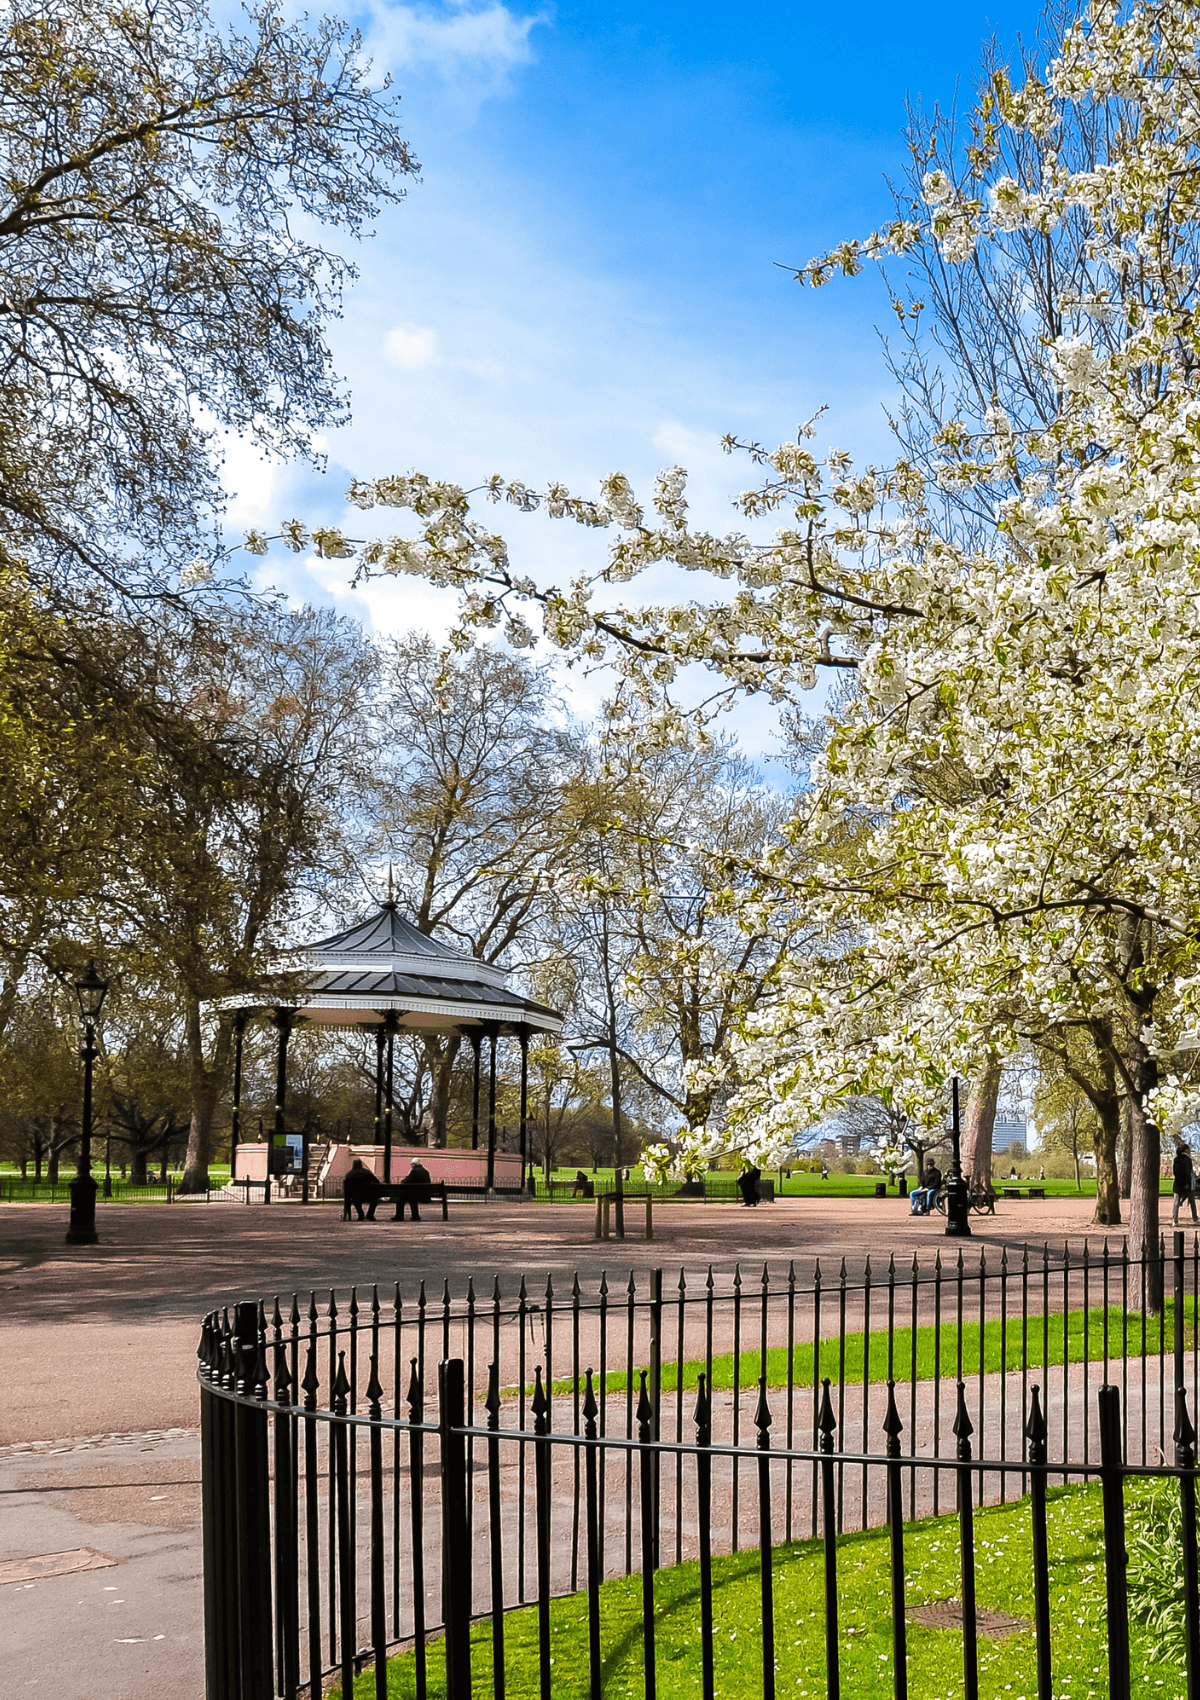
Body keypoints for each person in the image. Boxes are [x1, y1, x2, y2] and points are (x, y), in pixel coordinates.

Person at [394, 1155, 432, 1221]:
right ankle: (415, 1216)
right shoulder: (426, 1171)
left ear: (415, 1164)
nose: (411, 1165)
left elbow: (404, 1182)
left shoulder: (414, 1171)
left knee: (400, 1199)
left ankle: (399, 1216)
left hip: (416, 1195)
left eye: (412, 1164)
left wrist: (406, 1177)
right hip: (425, 1195)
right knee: (412, 1198)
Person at [342, 1158, 379, 1222]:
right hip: (368, 1195)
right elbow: (377, 1182)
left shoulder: (349, 1174)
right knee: (375, 1200)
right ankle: (370, 1214)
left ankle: (361, 1214)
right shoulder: (367, 1172)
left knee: (356, 1200)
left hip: (355, 1196)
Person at [1173, 1143, 1199, 1226]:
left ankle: (1175, 1220)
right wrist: (1187, 1183)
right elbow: (1188, 1173)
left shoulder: (1176, 1159)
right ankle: (1195, 1219)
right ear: (1185, 1150)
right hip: (1187, 1184)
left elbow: (1175, 1172)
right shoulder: (1187, 1160)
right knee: (1192, 1202)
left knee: (1176, 1203)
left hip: (1177, 1183)